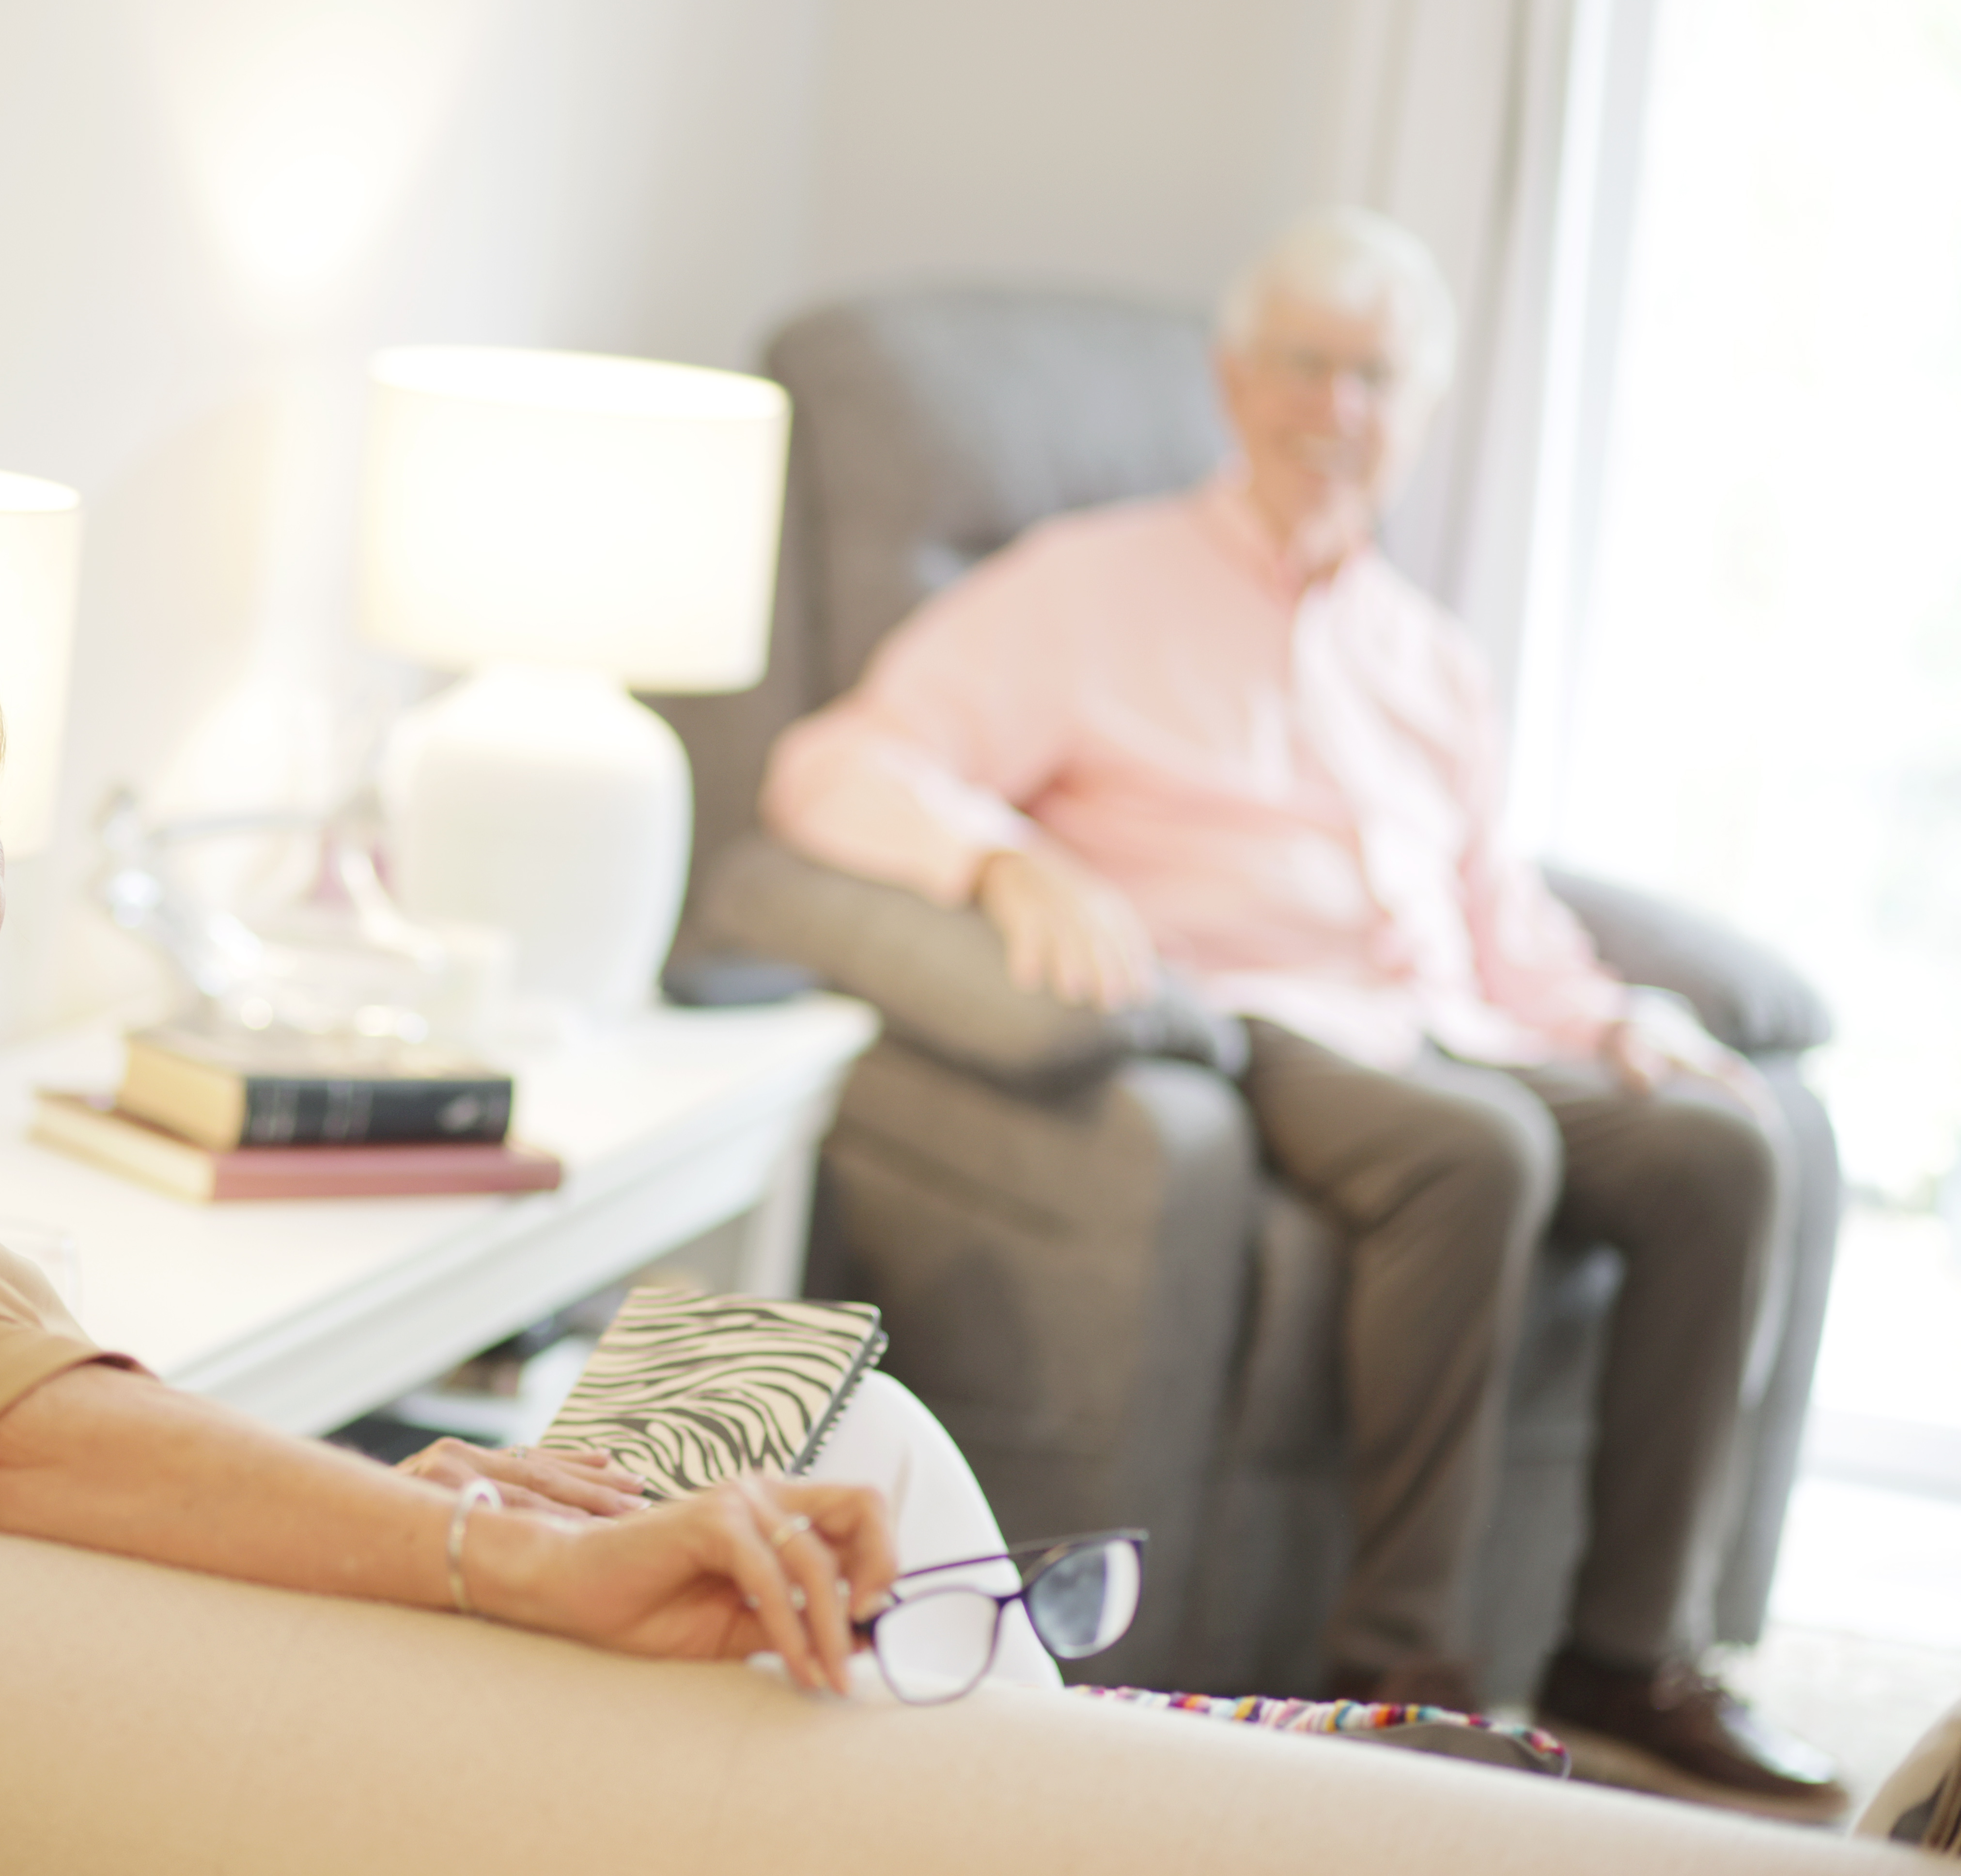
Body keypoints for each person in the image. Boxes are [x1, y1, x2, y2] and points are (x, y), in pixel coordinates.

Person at [0, 568, 1065, 1706]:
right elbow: (19, 1434)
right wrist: (503, 1563)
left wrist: (378, 1493)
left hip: (182, 1646)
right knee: (865, 1443)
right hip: (260, 1722)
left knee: (769, 1417)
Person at [761, 207, 1844, 1813]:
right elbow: (833, 767)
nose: (1336, 409)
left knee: (1716, 1152)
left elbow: (1495, 910)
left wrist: (1615, 1018)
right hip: (1254, 1022)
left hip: (1445, 1023)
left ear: (1419, 415)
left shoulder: (1426, 654)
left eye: (1377, 379)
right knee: (1476, 1155)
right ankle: (1395, 1666)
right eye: (1305, 366)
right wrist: (1002, 865)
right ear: (1231, 381)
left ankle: (1631, 1653)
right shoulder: (1090, 587)